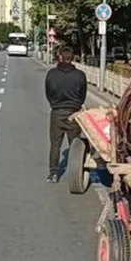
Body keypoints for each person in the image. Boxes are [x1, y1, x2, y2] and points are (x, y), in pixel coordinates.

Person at [45, 46, 87, 183]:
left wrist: (55, 104)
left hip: (57, 112)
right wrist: (76, 105)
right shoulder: (80, 75)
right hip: (73, 113)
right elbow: (83, 95)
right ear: (72, 58)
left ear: (60, 57)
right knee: (74, 144)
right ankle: (76, 173)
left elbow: (48, 93)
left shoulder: (51, 74)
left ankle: (53, 173)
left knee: (55, 144)